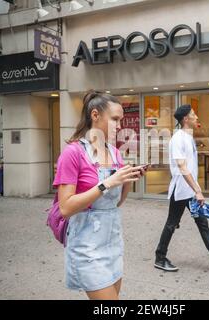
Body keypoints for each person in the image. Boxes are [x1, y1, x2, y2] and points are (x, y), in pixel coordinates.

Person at [53, 90, 146, 300]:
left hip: (113, 242)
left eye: (121, 120)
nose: (120, 125)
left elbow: (116, 203)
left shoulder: (115, 153)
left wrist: (127, 179)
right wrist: (107, 183)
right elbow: (65, 208)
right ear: (95, 115)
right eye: (115, 119)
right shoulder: (73, 153)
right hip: (87, 246)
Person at [154, 105, 209, 272]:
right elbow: (181, 166)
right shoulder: (178, 138)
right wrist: (198, 191)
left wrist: (195, 189)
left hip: (190, 190)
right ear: (185, 119)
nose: (196, 116)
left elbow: (190, 167)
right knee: (172, 224)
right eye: (193, 114)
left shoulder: (188, 137)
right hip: (181, 191)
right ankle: (160, 257)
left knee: (202, 223)